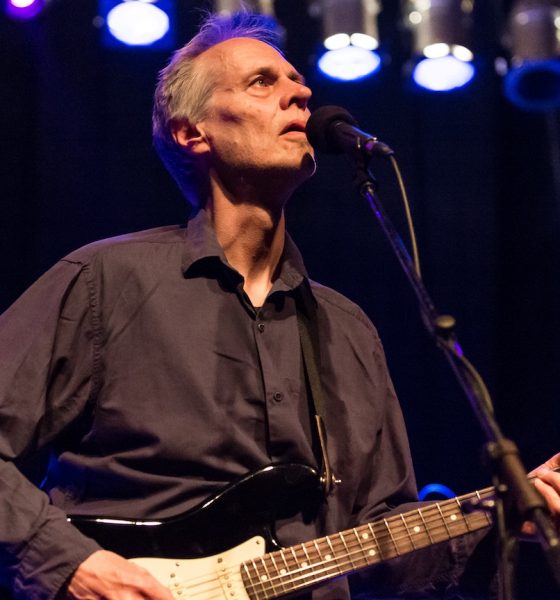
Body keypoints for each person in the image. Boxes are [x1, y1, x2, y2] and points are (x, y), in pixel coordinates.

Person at [0, 11, 559, 600]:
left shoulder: (347, 331)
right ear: (194, 132)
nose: (302, 93)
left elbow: (383, 551)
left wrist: (504, 518)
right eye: (263, 82)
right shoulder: (104, 282)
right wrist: (70, 566)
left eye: (296, 80)